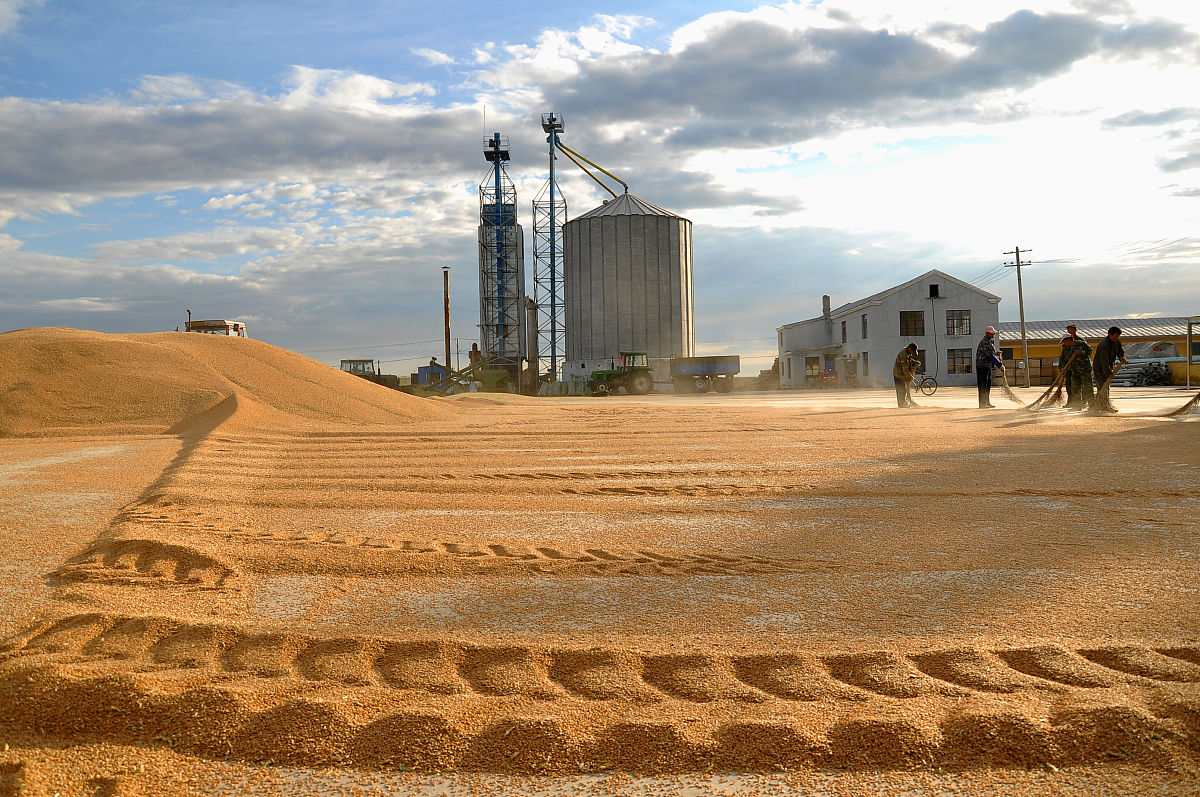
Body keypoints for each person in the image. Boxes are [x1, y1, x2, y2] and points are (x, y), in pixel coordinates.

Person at [1092, 326, 1128, 413]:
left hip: (1108, 367)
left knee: (1106, 387)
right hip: (1099, 369)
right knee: (1102, 387)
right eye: (1115, 336)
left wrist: (1121, 357)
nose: (1117, 338)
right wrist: (1108, 373)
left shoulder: (1116, 342)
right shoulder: (1103, 345)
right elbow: (1104, 361)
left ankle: (1104, 406)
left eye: (1118, 337)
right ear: (1110, 335)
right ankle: (1099, 406)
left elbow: (1119, 350)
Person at [1066, 328, 1094, 411]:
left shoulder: (1081, 343)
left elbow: (1089, 351)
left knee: (1088, 388)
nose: (1064, 344)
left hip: (1085, 370)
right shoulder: (1067, 348)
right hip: (1075, 371)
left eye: (1064, 342)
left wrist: (1081, 352)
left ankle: (1092, 406)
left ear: (1068, 340)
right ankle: (1077, 406)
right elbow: (1066, 358)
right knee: (1075, 389)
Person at [975, 325, 1003, 408]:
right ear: (987, 333)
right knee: (983, 385)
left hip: (987, 366)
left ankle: (986, 402)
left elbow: (991, 354)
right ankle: (982, 404)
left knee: (987, 384)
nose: (994, 334)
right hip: (982, 366)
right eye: (992, 333)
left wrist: (996, 354)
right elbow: (990, 356)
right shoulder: (985, 342)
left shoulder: (989, 341)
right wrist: (1000, 365)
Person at [893, 343, 921, 408]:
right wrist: (909, 376)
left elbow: (908, 360)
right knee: (901, 389)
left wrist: (915, 362)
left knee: (906, 389)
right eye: (912, 351)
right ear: (909, 348)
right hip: (898, 374)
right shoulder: (903, 354)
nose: (912, 353)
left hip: (903, 374)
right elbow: (905, 368)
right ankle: (901, 404)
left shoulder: (908, 353)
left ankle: (906, 401)